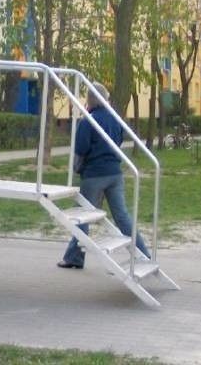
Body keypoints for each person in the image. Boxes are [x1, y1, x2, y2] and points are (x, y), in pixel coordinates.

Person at [57, 82, 150, 269]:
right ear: (105, 99)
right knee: (122, 216)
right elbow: (119, 140)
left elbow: (81, 149)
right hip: (115, 173)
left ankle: (74, 256)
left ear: (90, 100)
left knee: (82, 216)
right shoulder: (116, 119)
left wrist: (77, 169)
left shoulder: (88, 121)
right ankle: (143, 254)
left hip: (94, 174)